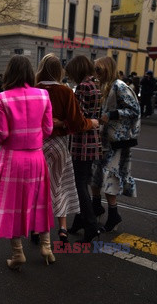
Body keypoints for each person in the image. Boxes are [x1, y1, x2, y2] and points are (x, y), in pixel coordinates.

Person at [0, 55, 55, 269]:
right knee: (40, 201)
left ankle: (18, 253)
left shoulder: (3, 98)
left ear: (10, 72)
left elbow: (2, 133)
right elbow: (48, 129)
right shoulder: (43, 95)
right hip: (36, 157)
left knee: (13, 204)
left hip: (12, 159)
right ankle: (46, 247)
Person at [35, 53, 98, 244]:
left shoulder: (33, 91)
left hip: (39, 144)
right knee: (60, 185)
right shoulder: (65, 92)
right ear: (58, 71)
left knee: (39, 187)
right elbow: (77, 123)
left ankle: (37, 229)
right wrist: (91, 122)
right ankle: (62, 228)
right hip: (60, 145)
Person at [92, 56, 141, 232]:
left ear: (107, 68)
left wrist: (111, 115)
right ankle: (97, 212)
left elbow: (134, 109)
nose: (96, 73)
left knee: (110, 178)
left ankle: (113, 216)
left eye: (98, 69)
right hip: (105, 140)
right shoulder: (105, 86)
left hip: (117, 142)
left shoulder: (119, 86)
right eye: (94, 69)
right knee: (96, 176)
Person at [64, 55, 103, 242]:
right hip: (93, 140)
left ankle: (91, 226)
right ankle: (80, 221)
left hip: (82, 142)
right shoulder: (96, 85)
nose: (70, 76)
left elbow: (76, 117)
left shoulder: (82, 87)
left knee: (79, 184)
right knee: (83, 182)